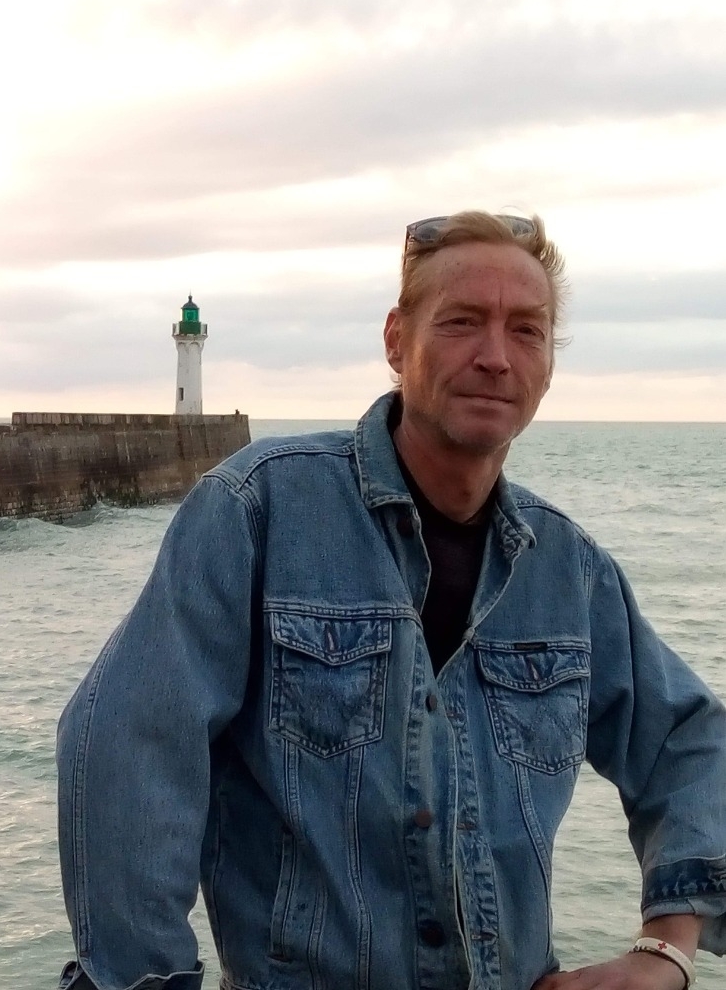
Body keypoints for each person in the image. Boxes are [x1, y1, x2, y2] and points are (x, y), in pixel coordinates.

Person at [56, 211, 726, 990]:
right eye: (462, 321)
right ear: (396, 340)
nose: (495, 357)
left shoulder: (568, 569)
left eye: (527, 330)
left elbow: (688, 740)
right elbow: (130, 744)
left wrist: (666, 949)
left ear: (549, 364)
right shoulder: (260, 510)